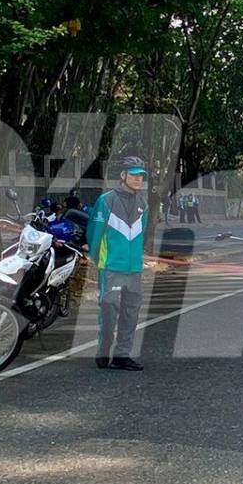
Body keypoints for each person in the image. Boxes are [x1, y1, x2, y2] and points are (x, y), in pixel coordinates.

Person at [88, 156, 150, 371]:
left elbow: (141, 234)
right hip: (111, 268)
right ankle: (103, 351)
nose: (138, 179)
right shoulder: (106, 201)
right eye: (134, 175)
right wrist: (98, 260)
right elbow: (94, 234)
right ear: (123, 176)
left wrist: (139, 259)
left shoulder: (143, 204)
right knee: (108, 310)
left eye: (141, 176)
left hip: (134, 269)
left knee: (131, 314)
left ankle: (122, 355)